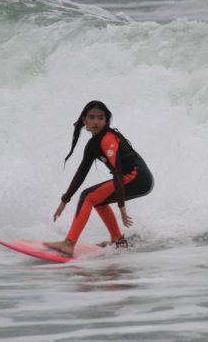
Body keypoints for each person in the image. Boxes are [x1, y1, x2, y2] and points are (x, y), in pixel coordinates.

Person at [44, 101, 153, 256]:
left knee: (88, 196)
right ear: (84, 120)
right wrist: (65, 200)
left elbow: (117, 172)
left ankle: (69, 244)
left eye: (101, 118)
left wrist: (122, 208)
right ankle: (118, 240)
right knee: (97, 200)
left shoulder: (108, 139)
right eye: (92, 117)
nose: (96, 121)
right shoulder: (92, 145)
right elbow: (81, 174)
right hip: (134, 179)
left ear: (106, 120)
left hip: (137, 177)